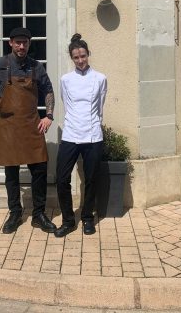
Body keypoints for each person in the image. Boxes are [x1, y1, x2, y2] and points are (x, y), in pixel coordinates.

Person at [0, 27, 57, 234]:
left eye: (25, 42)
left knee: (40, 170)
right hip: (9, 126)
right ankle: (15, 213)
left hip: (32, 125)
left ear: (29, 44)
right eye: (17, 42)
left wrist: (49, 115)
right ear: (10, 43)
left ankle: (38, 215)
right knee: (11, 173)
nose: (21, 46)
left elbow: (48, 90)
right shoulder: (1, 64)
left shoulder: (36, 66)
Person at [54, 33, 107, 237]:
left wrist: (94, 124)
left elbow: (100, 106)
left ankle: (87, 218)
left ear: (88, 54)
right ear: (71, 58)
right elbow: (66, 103)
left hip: (93, 135)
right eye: (76, 57)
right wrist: (74, 122)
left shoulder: (100, 78)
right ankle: (68, 220)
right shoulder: (66, 79)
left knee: (91, 179)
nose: (80, 60)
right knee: (62, 178)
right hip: (70, 133)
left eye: (83, 56)